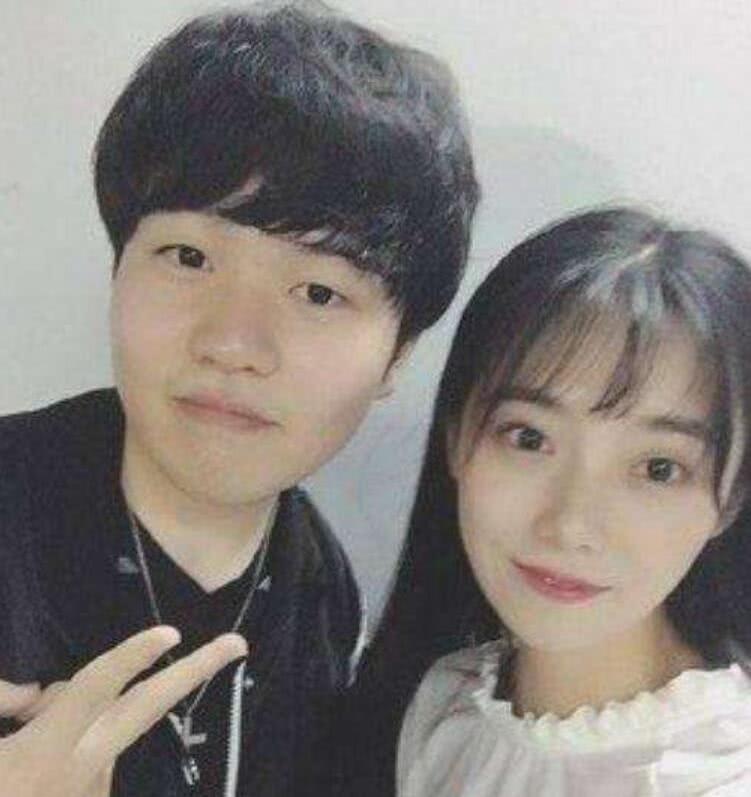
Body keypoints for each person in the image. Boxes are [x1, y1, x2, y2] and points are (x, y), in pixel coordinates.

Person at [0, 3, 479, 796]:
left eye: (318, 292)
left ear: (396, 355)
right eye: (188, 256)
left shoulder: (325, 599)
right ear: (118, 269)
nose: (232, 343)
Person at [355, 207, 751, 796]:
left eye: (658, 469)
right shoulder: (442, 708)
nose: (570, 525)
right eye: (529, 438)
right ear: (457, 438)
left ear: (733, 496)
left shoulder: (724, 774)